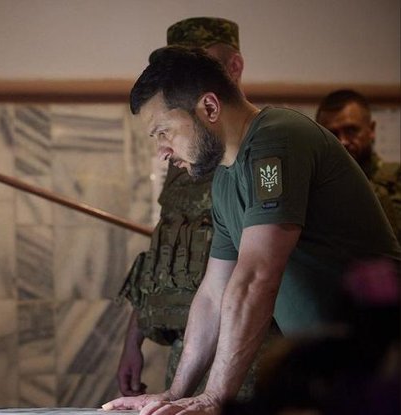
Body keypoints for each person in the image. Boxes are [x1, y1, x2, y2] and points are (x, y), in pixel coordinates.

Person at [103, 46, 401, 414]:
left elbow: (258, 275)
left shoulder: (277, 138)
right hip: (341, 371)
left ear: (209, 108)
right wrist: (175, 394)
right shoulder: (225, 178)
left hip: (385, 363)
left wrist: (215, 398)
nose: (163, 151)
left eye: (164, 132)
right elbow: (213, 293)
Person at [117, 17, 268, 400]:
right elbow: (166, 245)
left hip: (249, 342)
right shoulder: (187, 155)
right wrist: (133, 339)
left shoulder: (255, 150)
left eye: (198, 63)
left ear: (233, 67)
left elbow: (257, 275)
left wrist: (215, 396)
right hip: (192, 340)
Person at [315, 89, 401, 240]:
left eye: (351, 130)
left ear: (371, 129)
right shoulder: (314, 188)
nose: (343, 141)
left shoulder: (396, 178)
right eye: (332, 134)